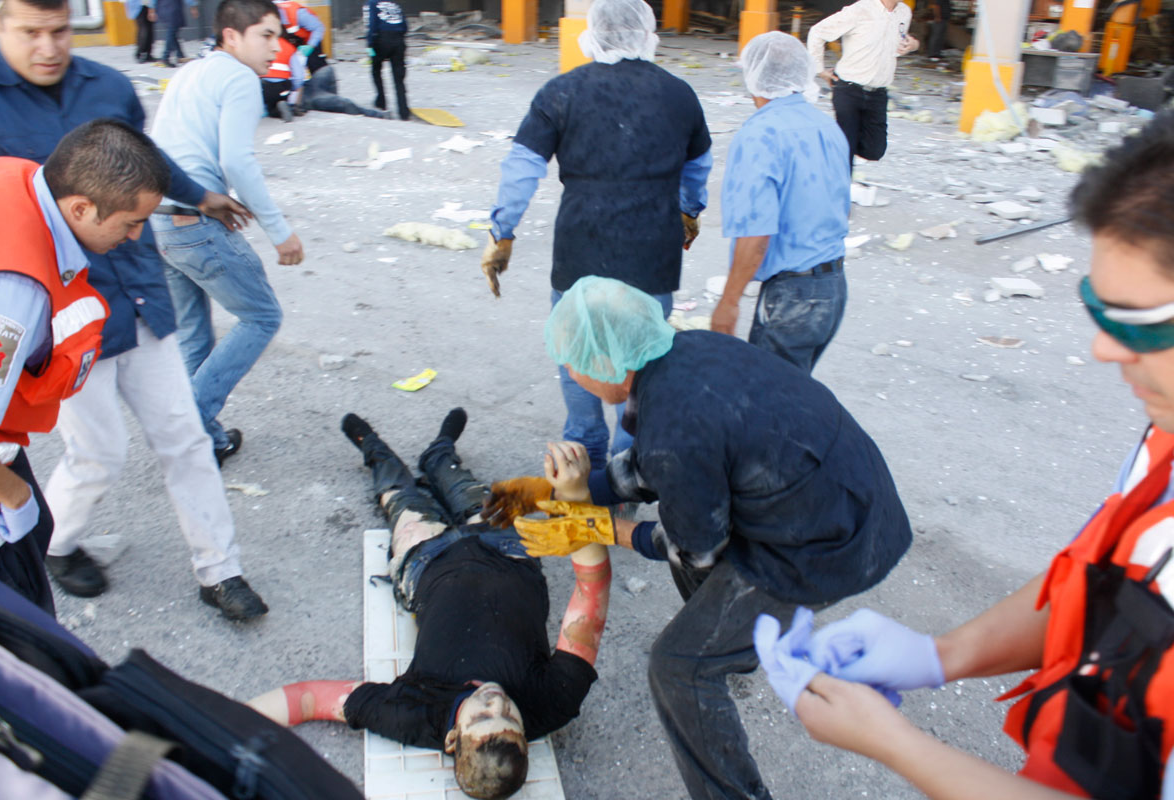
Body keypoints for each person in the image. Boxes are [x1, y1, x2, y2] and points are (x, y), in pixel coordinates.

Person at [753, 111, 1174, 800]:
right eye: (1097, 309)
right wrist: (939, 654)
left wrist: (898, 746)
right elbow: (1101, 586)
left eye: (1139, 323)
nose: (1105, 348)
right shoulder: (1164, 438)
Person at [485, 276, 912, 800]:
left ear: (607, 363)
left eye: (573, 362)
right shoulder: (684, 353)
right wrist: (551, 492)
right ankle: (735, 642)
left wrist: (601, 527)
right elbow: (657, 466)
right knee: (700, 569)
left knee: (677, 668)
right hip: (853, 498)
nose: (571, 373)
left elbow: (695, 548)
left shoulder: (674, 423)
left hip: (832, 545)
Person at [0, 0, 269, 620]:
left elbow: (146, 168)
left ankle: (220, 570)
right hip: (56, 328)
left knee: (186, 438)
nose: (50, 48)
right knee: (98, 452)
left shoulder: (107, 87)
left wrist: (202, 196)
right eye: (32, 33)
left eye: (61, 30)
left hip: (136, 296)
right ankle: (51, 541)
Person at [247, 409, 610, 800]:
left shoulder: (415, 715)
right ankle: (439, 450)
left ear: (453, 738)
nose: (497, 701)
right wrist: (578, 502)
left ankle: (372, 446)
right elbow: (592, 590)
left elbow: (308, 700)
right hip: (507, 550)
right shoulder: (553, 701)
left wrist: (217, 725)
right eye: (511, 717)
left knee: (398, 494)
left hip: (427, 561)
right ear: (525, 735)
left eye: (482, 716)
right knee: (456, 479)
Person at [481, 0, 712, 471]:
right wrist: (689, 212)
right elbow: (698, 166)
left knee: (578, 353)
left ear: (593, 34)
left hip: (581, 249)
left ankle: (583, 457)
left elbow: (522, 167)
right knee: (643, 362)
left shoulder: (561, 92)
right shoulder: (679, 94)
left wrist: (502, 232)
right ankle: (629, 471)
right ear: (647, 33)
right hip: (652, 254)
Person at [0, 120, 169, 616]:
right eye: (130, 222)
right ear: (80, 207)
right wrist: (14, 497)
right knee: (19, 626)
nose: (136, 236)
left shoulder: (9, 175)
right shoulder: (14, 290)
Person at [150, 0, 306, 465]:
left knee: (193, 335)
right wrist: (280, 231)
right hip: (194, 221)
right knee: (262, 317)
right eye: (266, 35)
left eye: (279, 36)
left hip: (160, 218)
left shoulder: (190, 72)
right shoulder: (239, 78)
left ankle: (207, 441)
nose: (276, 47)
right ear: (232, 37)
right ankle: (189, 431)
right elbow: (237, 160)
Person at [709, 32, 851, 373]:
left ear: (755, 78)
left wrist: (729, 302)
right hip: (833, 286)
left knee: (765, 397)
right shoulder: (827, 127)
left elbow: (755, 236)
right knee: (795, 391)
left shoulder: (759, 135)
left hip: (793, 297)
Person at [806, 0, 919, 168]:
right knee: (846, 152)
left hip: (878, 92)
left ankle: (831, 147)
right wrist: (819, 69)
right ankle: (837, 161)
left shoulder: (904, 13)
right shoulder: (859, 10)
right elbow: (817, 32)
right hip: (849, 89)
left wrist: (913, 45)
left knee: (875, 150)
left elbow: (897, 44)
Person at [261, 35, 390, 120]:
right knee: (338, 100)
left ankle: (379, 115)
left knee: (340, 103)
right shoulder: (288, 47)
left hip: (305, 94)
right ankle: (379, 114)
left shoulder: (262, 48)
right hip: (316, 78)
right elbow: (299, 77)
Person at [366, 0, 408, 121]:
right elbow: (405, 25)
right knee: (398, 78)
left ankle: (381, 102)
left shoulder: (372, 3)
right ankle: (403, 111)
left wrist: (370, 44)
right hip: (399, 40)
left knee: (376, 70)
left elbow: (371, 24)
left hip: (381, 40)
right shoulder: (395, 3)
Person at [274, 0, 326, 72]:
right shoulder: (269, 14)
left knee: (317, 69)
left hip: (310, 42)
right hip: (293, 41)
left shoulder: (298, 13)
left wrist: (310, 46)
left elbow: (318, 27)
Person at [155, 0, 197, 68]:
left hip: (161, 8)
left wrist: (152, 9)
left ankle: (180, 56)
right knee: (171, 33)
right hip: (173, 9)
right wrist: (192, 6)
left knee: (172, 33)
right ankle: (165, 57)